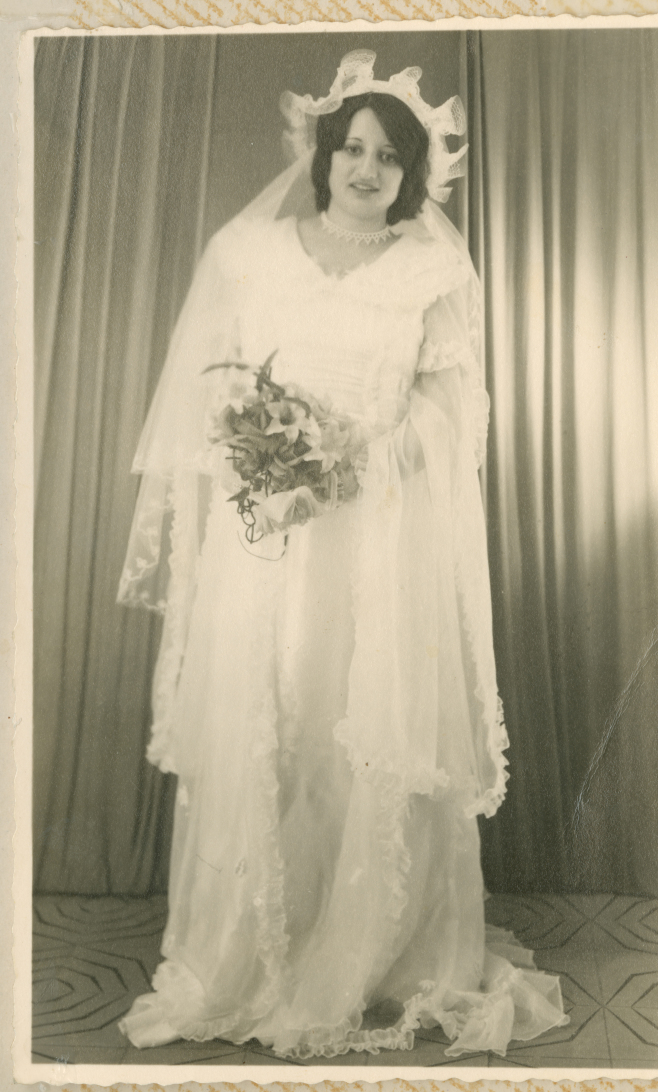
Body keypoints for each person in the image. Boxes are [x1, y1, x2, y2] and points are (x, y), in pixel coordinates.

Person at [117, 50, 569, 1060]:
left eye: (389, 157)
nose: (366, 169)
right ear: (321, 156)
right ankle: (246, 958)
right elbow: (204, 394)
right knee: (269, 727)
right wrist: (263, 448)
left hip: (378, 545)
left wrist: (368, 446)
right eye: (351, 149)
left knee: (355, 736)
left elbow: (459, 410)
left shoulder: (430, 270)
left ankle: (364, 952)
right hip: (268, 542)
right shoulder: (251, 258)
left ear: (415, 175)